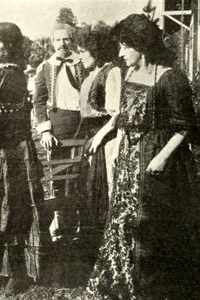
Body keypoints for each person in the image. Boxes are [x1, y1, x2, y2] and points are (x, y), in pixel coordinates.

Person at [86, 14, 200, 300]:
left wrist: (161, 158)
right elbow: (123, 119)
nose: (121, 53)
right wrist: (119, 149)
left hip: (157, 161)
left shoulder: (171, 78)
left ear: (143, 45)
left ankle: (153, 289)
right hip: (128, 159)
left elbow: (186, 126)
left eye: (126, 46)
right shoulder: (128, 75)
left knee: (150, 225)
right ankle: (124, 283)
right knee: (123, 221)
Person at [0, 22, 45, 296]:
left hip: (11, 154)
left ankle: (17, 273)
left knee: (10, 210)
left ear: (9, 45)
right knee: (2, 208)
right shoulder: (3, 74)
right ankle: (5, 269)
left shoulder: (8, 75)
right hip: (6, 150)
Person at [74, 29, 121, 229]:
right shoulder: (91, 75)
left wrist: (100, 137)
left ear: (96, 50)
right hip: (92, 138)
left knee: (109, 187)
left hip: (107, 137)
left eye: (83, 51)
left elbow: (118, 112)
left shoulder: (112, 72)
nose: (80, 56)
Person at [33, 23, 86, 151]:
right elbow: (39, 101)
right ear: (53, 43)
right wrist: (45, 131)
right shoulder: (45, 67)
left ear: (72, 41)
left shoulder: (83, 62)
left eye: (66, 39)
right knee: (60, 162)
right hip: (58, 121)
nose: (62, 43)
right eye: (58, 40)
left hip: (84, 119)